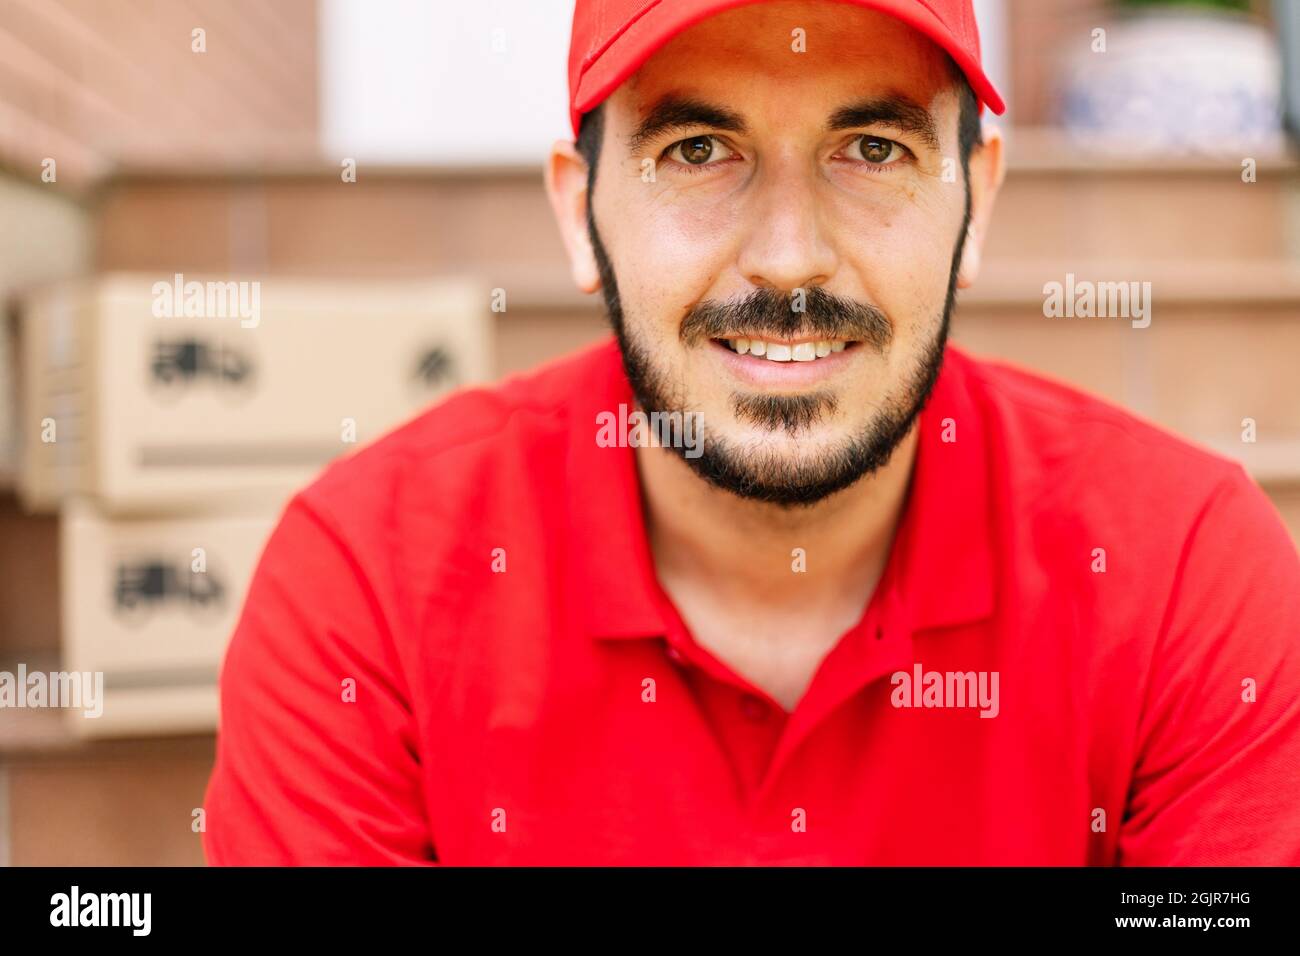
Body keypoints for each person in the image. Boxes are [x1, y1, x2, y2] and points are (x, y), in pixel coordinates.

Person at [203, 0, 1300, 865]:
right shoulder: (366, 588)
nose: (786, 259)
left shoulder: (1186, 579)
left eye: (871, 148)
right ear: (576, 208)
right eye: (696, 150)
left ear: (976, 203)